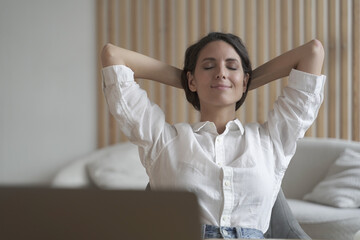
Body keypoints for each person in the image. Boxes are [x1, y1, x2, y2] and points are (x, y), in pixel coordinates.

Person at [101, 32, 326, 239]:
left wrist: (234, 82)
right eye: (208, 66)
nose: (220, 72)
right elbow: (113, 56)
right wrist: (196, 82)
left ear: (246, 80)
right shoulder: (162, 140)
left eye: (231, 66)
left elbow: (312, 52)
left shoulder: (271, 141)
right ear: (190, 80)